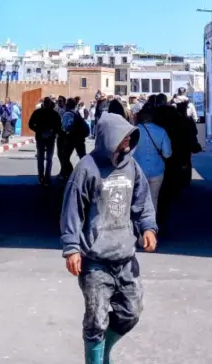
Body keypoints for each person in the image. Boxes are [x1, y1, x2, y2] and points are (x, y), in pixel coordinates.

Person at [59, 111, 158, 364]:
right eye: (122, 136)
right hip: (95, 260)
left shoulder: (131, 166)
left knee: (131, 312)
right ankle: (95, 360)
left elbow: (142, 200)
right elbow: (72, 210)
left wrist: (148, 227)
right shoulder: (86, 168)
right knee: (96, 319)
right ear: (108, 137)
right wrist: (72, 248)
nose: (127, 140)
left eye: (129, 136)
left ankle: (104, 352)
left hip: (125, 257)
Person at [132, 98, 173, 216]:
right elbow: (167, 153)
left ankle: (138, 226)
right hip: (157, 171)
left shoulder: (134, 131)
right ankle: (151, 227)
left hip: (139, 171)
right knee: (153, 199)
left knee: (138, 199)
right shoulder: (161, 131)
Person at [29, 97, 61, 187]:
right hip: (50, 138)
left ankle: (41, 177)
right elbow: (59, 126)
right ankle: (47, 177)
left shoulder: (37, 112)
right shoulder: (55, 114)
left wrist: (39, 130)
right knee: (49, 158)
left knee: (41, 157)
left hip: (40, 137)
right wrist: (52, 132)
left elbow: (30, 124)